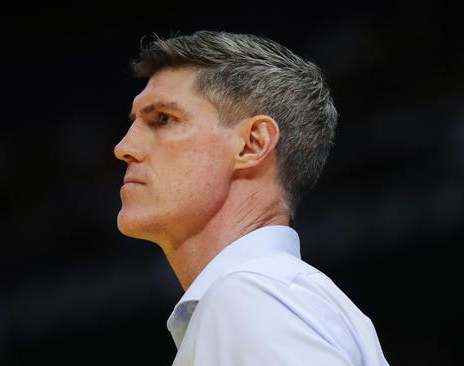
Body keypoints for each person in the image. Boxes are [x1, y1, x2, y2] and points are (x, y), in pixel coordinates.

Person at [113, 30, 389, 365]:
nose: (124, 148)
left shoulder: (247, 295)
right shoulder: (281, 295)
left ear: (252, 144)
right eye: (135, 123)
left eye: (164, 119)